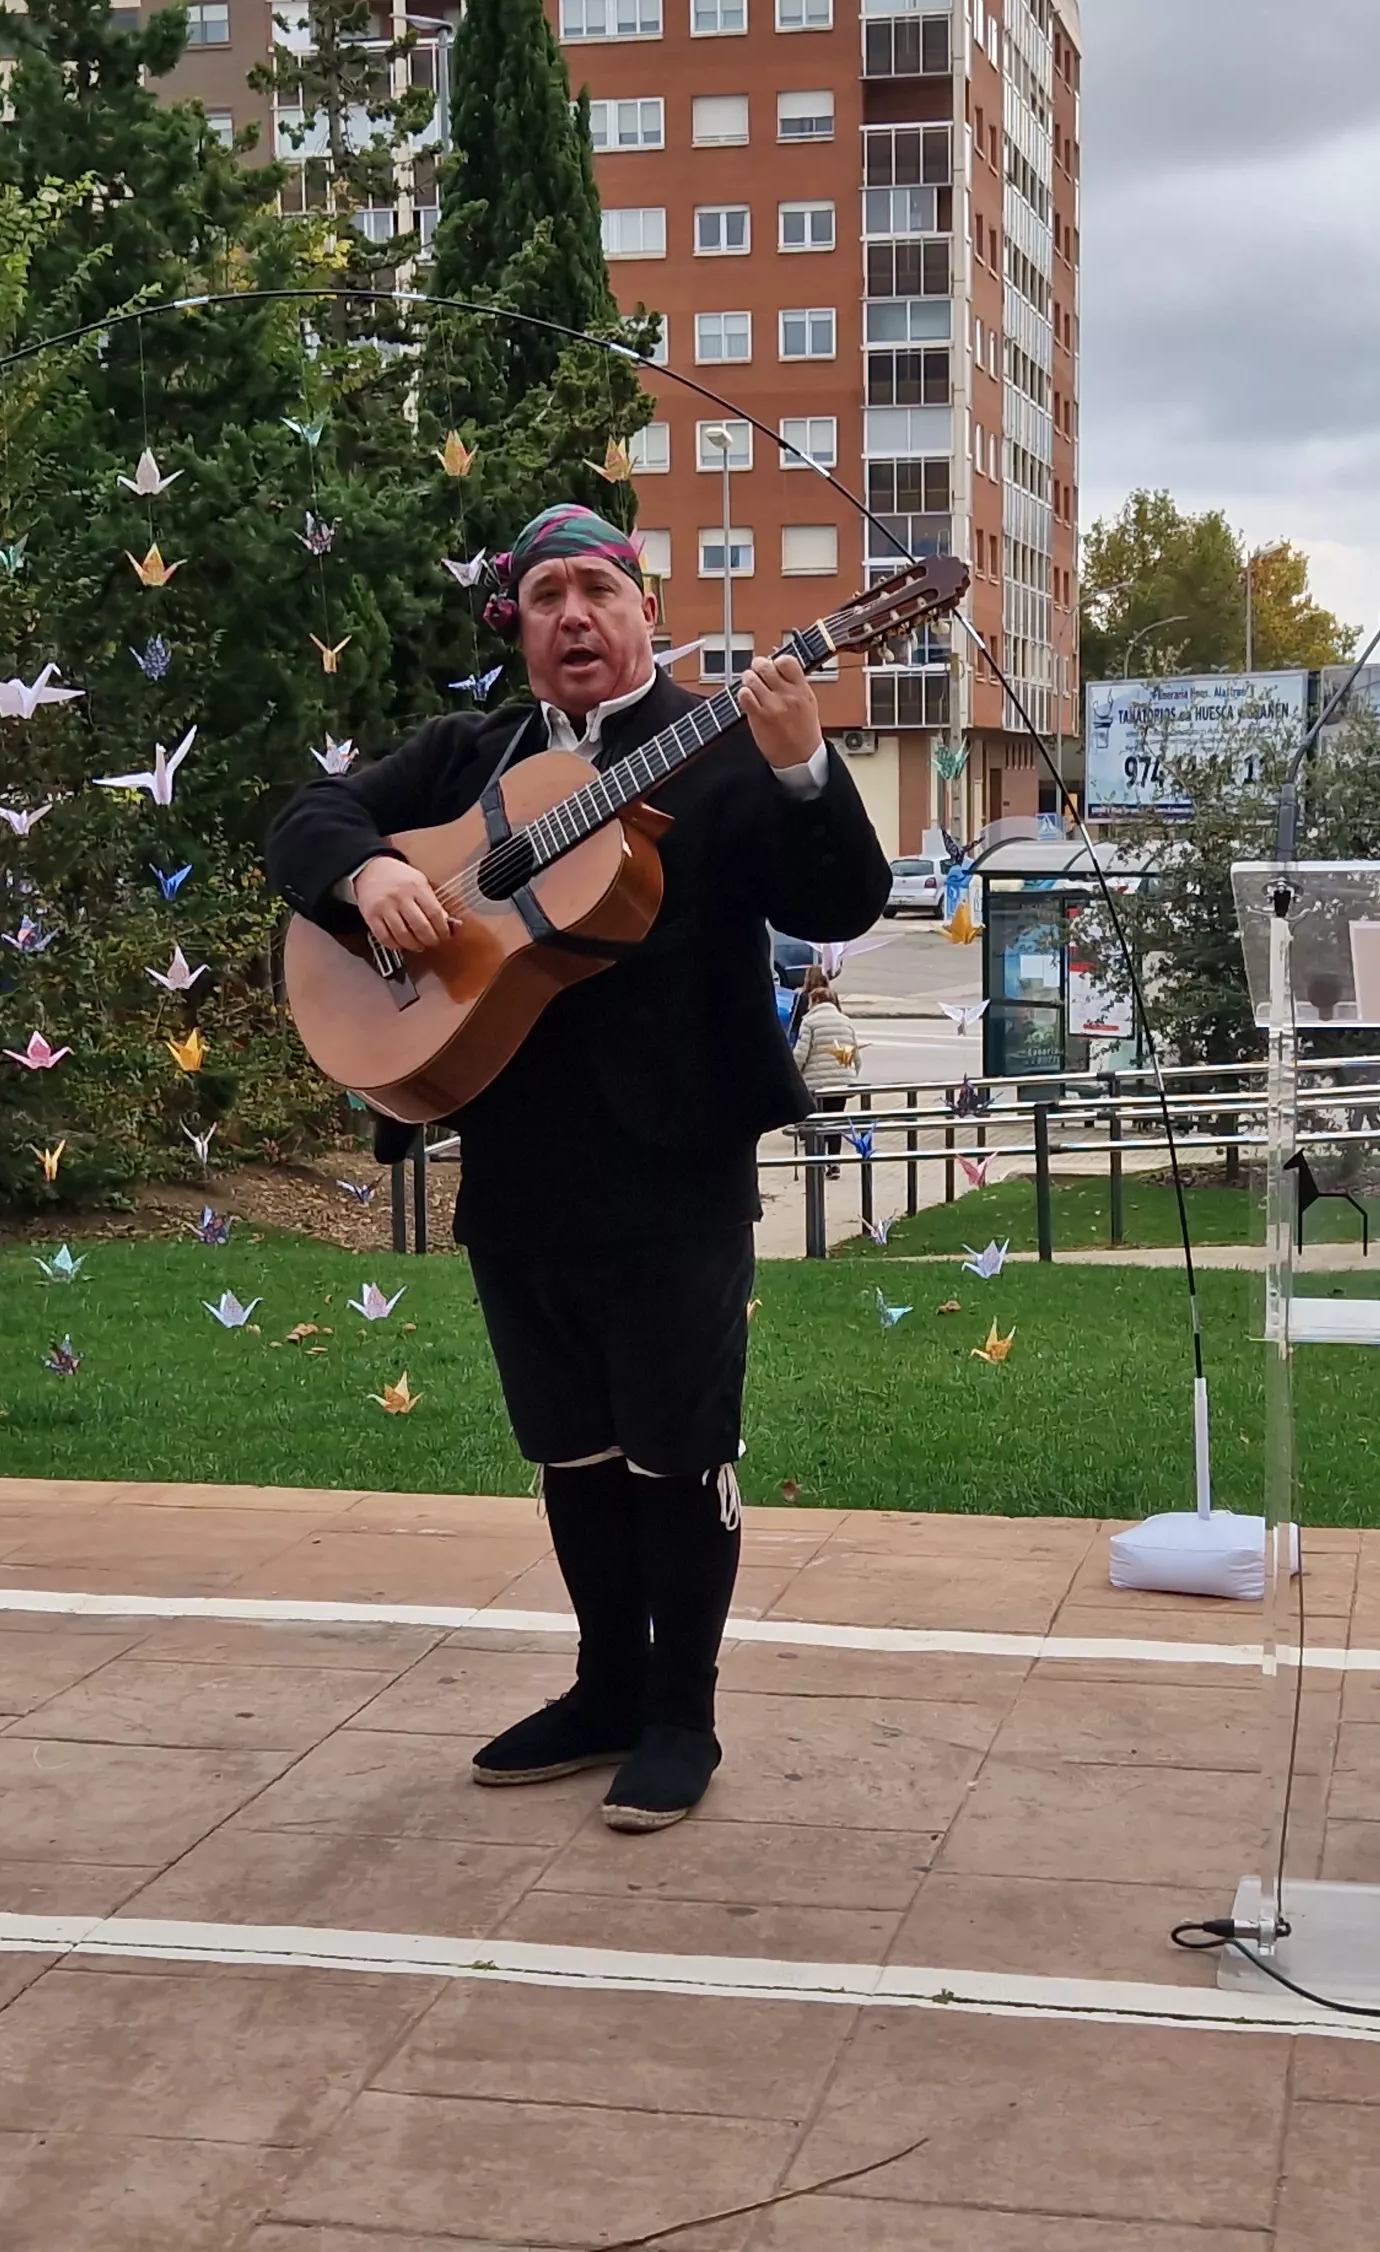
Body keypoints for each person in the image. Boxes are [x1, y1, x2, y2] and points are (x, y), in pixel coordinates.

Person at [270, 502, 888, 1831]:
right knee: (572, 1451)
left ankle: (682, 1715)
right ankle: (606, 1688)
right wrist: (370, 871)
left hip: (675, 1164)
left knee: (676, 1451)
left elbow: (839, 904)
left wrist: (802, 771)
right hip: (518, 1156)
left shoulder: (716, 746)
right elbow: (304, 817)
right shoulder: (467, 757)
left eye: (596, 593)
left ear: (643, 609)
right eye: (547, 596)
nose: (574, 620)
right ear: (520, 627)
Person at [791, 967, 863, 1101]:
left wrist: (794, 1077)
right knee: (837, 1118)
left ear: (815, 1002)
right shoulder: (846, 1021)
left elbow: (800, 1055)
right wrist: (849, 1075)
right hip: (844, 1083)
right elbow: (857, 1057)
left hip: (817, 1084)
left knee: (819, 1118)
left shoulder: (809, 1022)